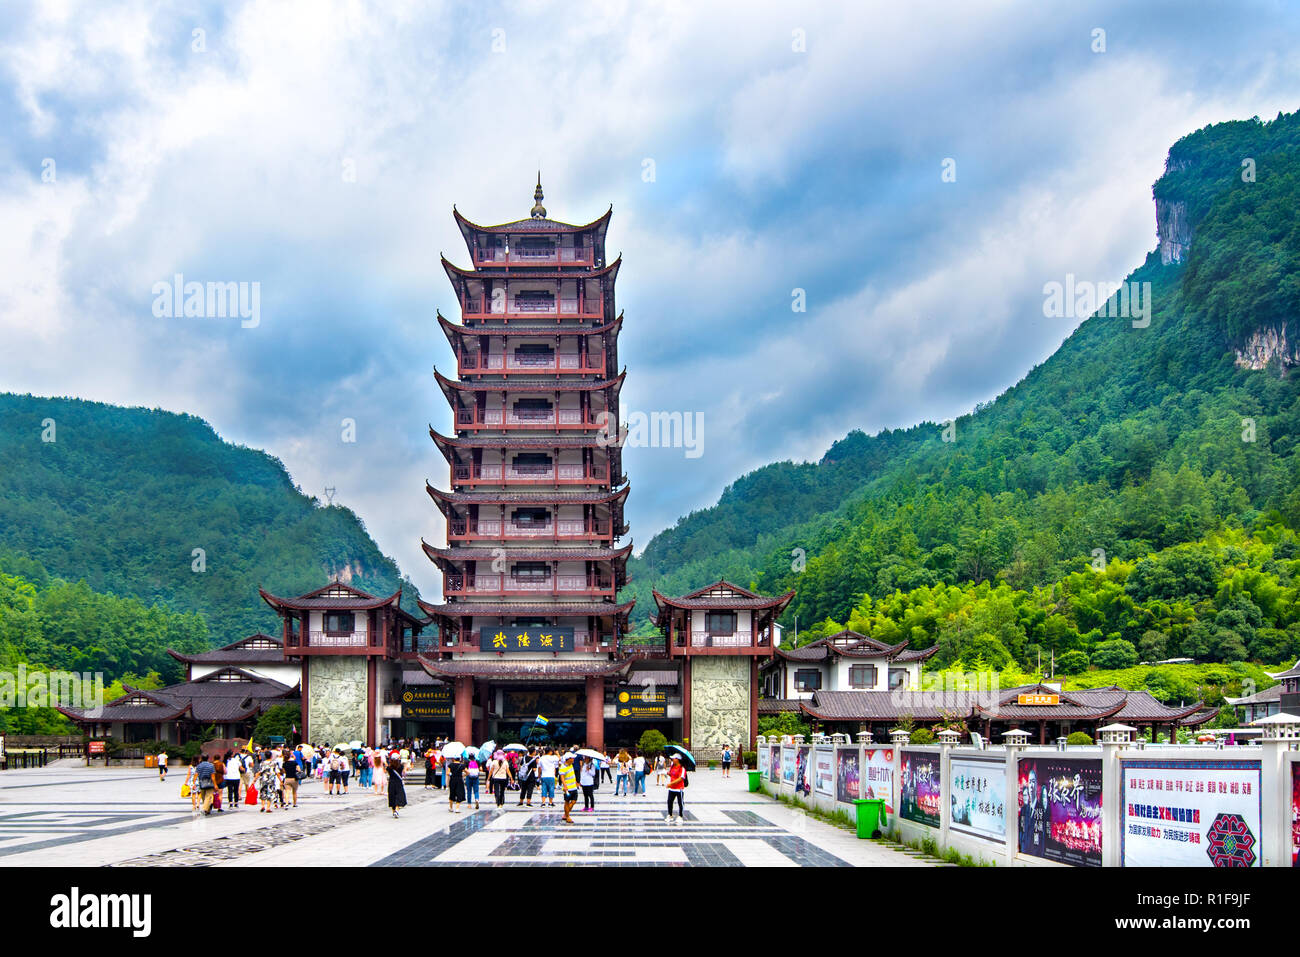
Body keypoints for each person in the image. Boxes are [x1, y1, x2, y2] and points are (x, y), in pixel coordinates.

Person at [665, 755, 687, 823]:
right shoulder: (672, 766)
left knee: (680, 802)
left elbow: (681, 778)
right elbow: (672, 774)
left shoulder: (682, 768)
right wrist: (668, 773)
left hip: (679, 788)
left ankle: (680, 816)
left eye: (673, 758)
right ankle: (670, 815)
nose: (672, 759)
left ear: (677, 759)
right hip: (672, 788)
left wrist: (670, 784)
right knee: (669, 801)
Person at [558, 754, 579, 824]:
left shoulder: (571, 765)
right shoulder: (563, 767)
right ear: (568, 759)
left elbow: (572, 774)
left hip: (573, 786)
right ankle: (568, 816)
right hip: (567, 788)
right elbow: (562, 777)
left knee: (574, 801)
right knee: (567, 801)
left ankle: (566, 814)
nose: (573, 759)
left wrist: (576, 782)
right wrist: (565, 786)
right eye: (572, 758)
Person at [388, 754, 408, 818]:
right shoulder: (400, 767)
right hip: (398, 783)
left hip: (391, 783)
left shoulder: (389, 768)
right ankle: (396, 810)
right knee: (399, 796)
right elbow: (402, 771)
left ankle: (394, 811)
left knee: (392, 797)